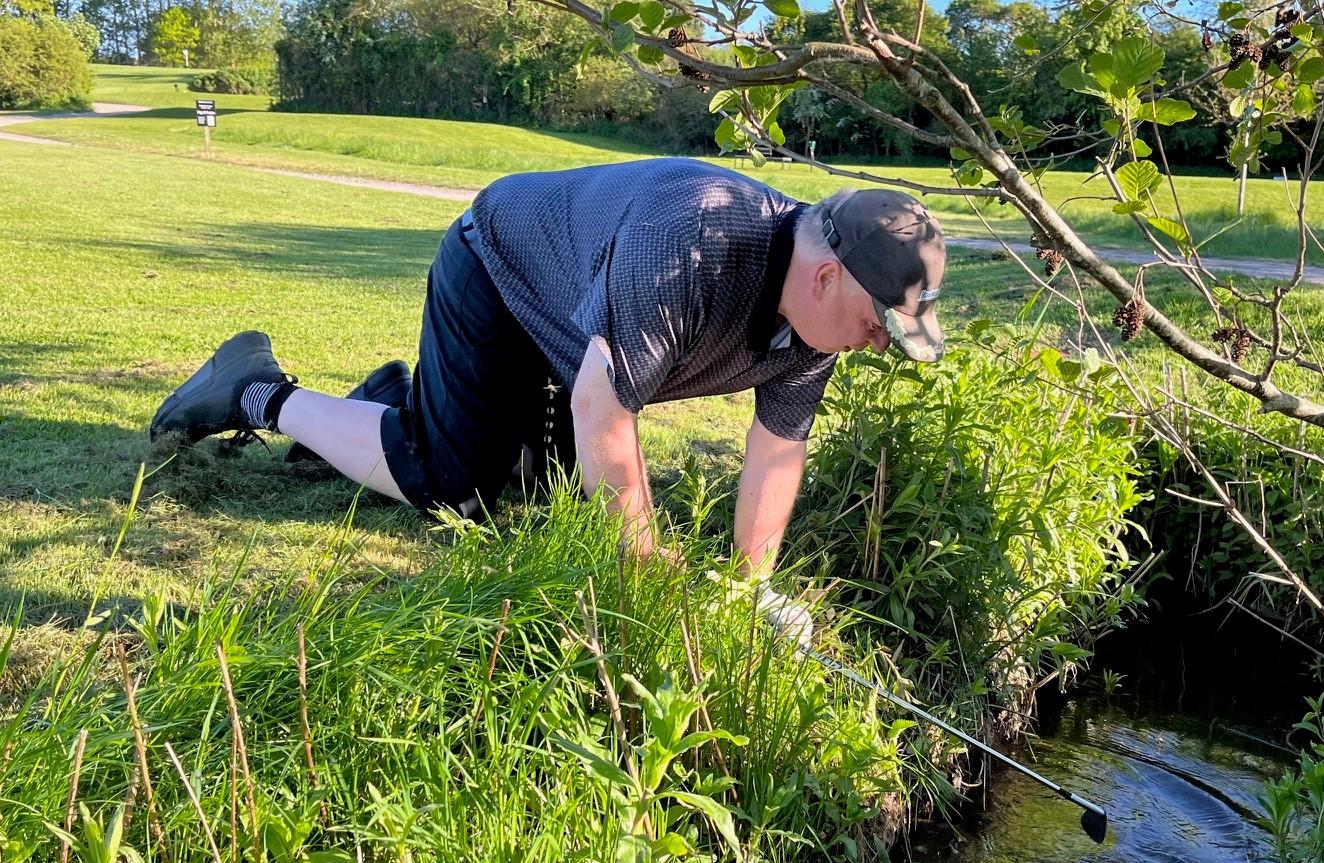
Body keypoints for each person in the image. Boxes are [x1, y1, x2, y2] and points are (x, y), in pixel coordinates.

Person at [149, 157, 948, 645]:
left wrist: (750, 592)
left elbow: (778, 448)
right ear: (824, 276)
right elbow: (605, 409)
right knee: (453, 487)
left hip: (577, 319)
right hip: (498, 267)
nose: (876, 342)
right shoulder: (691, 245)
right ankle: (256, 390)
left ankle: (398, 404)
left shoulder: (816, 330)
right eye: (876, 323)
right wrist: (640, 565)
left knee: (543, 494)